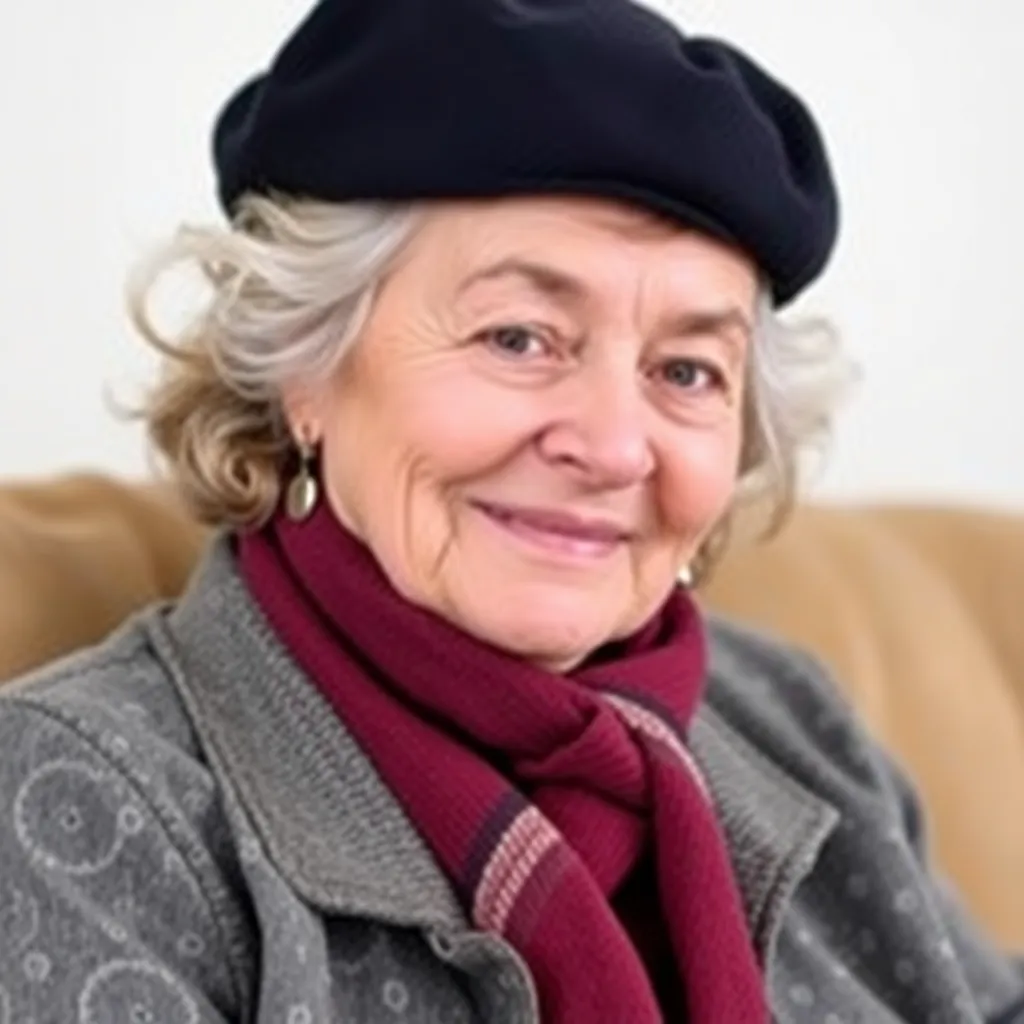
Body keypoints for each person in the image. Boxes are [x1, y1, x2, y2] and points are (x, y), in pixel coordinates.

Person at [0, 0, 1021, 1020]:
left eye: (685, 370)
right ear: (302, 368)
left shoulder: (793, 718)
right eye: (518, 338)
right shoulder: (84, 796)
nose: (613, 446)